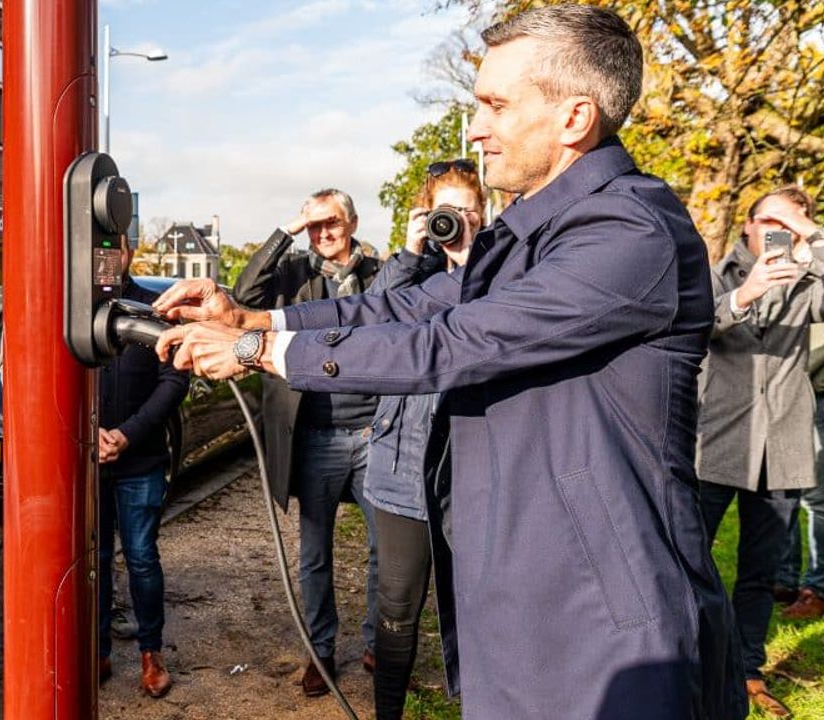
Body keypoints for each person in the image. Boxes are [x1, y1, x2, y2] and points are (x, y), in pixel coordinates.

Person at [151, 5, 745, 718]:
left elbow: (458, 342)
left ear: (574, 117)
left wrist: (258, 353)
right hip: (523, 596)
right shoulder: (536, 231)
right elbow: (403, 308)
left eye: (495, 105)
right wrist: (255, 316)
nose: (476, 128)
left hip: (605, 625)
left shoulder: (626, 229)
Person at [697, 187, 824, 717]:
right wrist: (745, 295)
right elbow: (695, 327)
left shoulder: (809, 278)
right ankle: (689, 662)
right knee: (692, 560)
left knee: (760, 573)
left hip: (781, 444)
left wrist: (816, 236)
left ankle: (746, 670)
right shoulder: (719, 273)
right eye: (767, 220)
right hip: (717, 441)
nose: (774, 231)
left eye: (787, 222)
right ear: (746, 226)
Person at [232, 188, 383, 697]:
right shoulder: (296, 273)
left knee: (386, 548)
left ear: (353, 222)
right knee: (314, 552)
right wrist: (288, 230)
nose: (323, 234)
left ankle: (378, 643)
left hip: (372, 432)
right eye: (314, 225)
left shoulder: (380, 274)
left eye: (331, 223)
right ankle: (320, 650)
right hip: (316, 436)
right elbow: (244, 294)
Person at [365, 160, 483, 720]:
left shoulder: (503, 272)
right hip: (399, 469)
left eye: (467, 211)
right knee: (396, 607)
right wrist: (411, 254)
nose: (455, 222)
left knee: (478, 606)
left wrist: (470, 260)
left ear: (484, 214)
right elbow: (374, 323)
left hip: (470, 474)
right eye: (445, 213)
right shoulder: (410, 275)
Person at [95, 238, 189, 699]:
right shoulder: (75, 308)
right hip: (87, 460)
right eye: (97, 249)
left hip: (141, 459)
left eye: (115, 247)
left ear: (130, 251)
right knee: (92, 561)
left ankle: (151, 653)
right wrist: (91, 433)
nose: (107, 257)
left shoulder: (153, 308)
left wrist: (126, 434)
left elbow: (174, 381)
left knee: (141, 558)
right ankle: (97, 650)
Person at [777, 298, 824, 620]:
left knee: (818, 496)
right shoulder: (785, 260)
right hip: (782, 391)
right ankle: (785, 580)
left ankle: (818, 591)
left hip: (819, 395)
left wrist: (817, 384)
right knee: (783, 490)